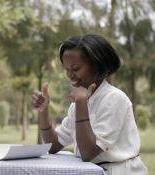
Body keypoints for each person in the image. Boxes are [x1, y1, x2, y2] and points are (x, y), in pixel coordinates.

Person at [31, 33, 148, 175]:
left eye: (75, 69)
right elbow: (52, 146)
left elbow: (88, 153)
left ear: (97, 66)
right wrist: (44, 111)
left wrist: (81, 103)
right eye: (67, 69)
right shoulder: (77, 104)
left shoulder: (115, 99)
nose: (70, 75)